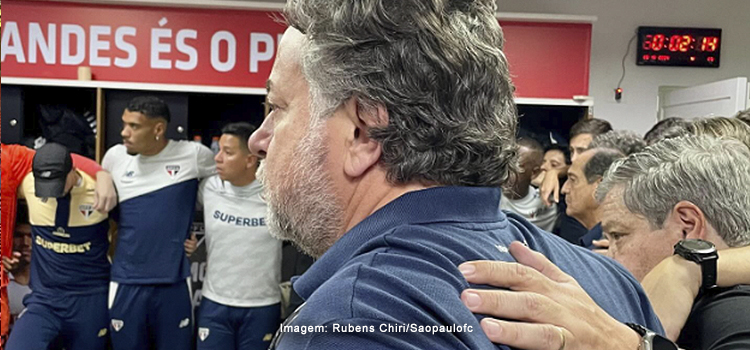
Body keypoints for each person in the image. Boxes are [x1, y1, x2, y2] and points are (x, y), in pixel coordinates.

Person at [248, 1, 661, 348]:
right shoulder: (609, 283)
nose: (259, 140)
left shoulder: (349, 322)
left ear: (363, 133)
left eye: (277, 108)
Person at [460, 136, 750, 350]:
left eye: (618, 236)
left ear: (687, 228)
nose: (610, 256)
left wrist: (629, 344)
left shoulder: (729, 315)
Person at [102, 96, 215, 350]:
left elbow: (223, 194)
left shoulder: (194, 155)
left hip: (174, 282)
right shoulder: (115, 157)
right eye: (124, 124)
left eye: (134, 126)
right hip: (126, 281)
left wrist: (201, 236)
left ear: (158, 129)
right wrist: (100, 175)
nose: (124, 132)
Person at [1, 143, 116, 346]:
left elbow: (134, 228)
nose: (51, 193)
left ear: (73, 171)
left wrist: (102, 174)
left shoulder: (99, 190)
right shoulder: (29, 183)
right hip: (45, 300)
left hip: (90, 300)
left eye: (57, 184)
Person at [195, 122, 281, 350]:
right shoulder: (209, 188)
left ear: (250, 160)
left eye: (228, 152)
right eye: (219, 150)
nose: (218, 158)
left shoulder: (276, 195)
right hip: (215, 304)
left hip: (262, 306)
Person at [560, 148, 624, 249]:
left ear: (602, 185)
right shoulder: (592, 242)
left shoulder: (613, 251)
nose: (564, 189)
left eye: (573, 180)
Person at [501, 138, 557, 232]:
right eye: (507, 162)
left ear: (534, 172)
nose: (507, 170)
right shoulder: (490, 192)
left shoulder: (545, 204)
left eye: (517, 165)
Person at [2, 203, 32, 329]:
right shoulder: (3, 277)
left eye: (31, 236)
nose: (26, 243)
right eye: (19, 236)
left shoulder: (51, 278)